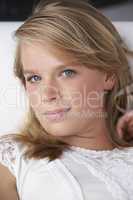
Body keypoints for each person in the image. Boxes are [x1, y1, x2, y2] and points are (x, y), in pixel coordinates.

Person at [0, 0, 133, 199]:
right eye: (34, 78)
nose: (47, 95)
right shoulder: (14, 157)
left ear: (108, 75)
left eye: (66, 72)